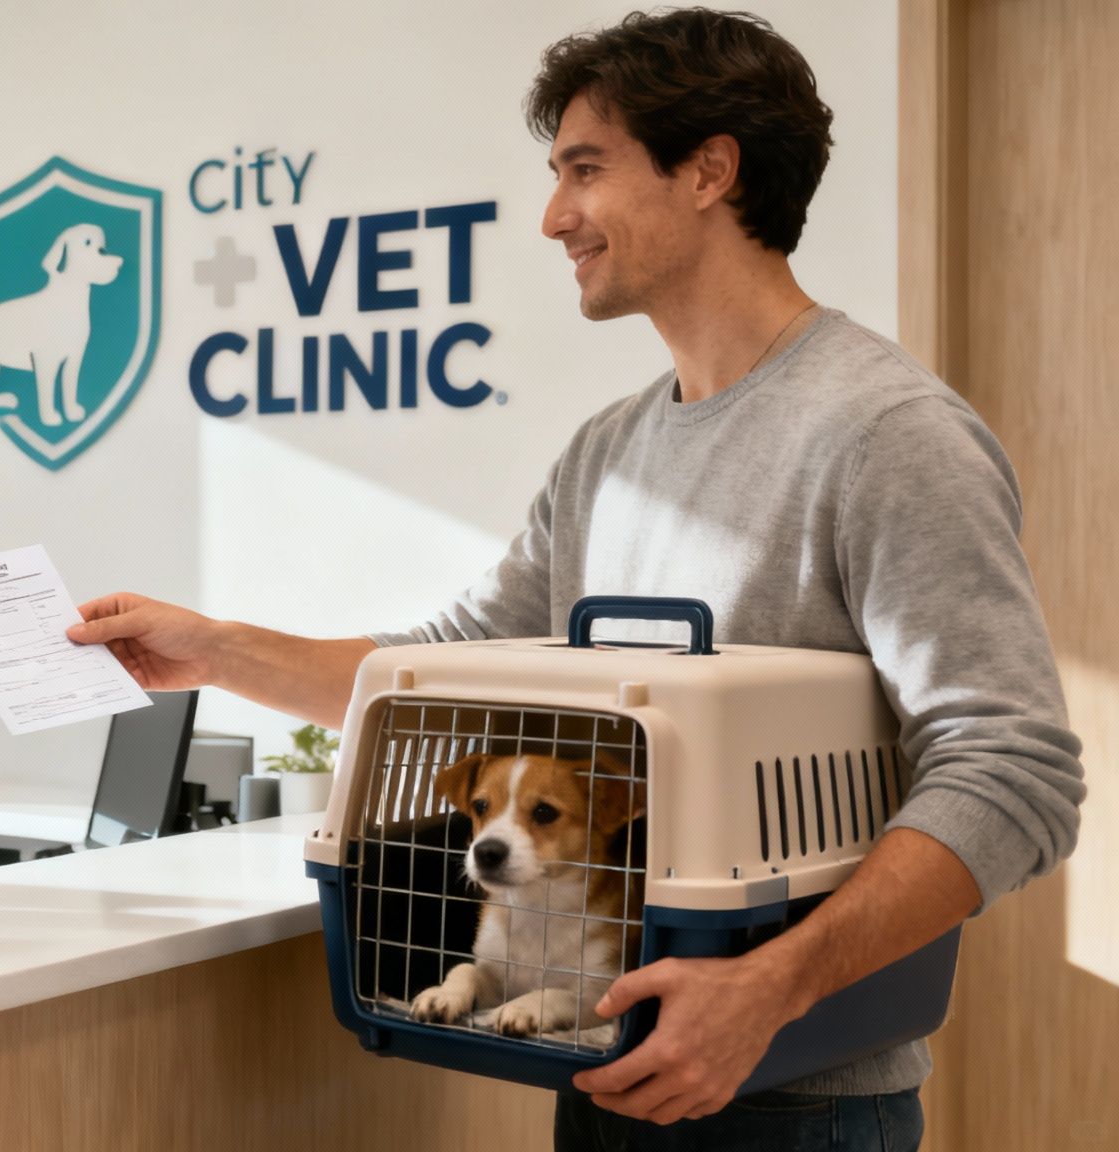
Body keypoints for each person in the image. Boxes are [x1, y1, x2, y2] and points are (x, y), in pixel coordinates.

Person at [65, 10, 1084, 1150]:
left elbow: (1014, 773)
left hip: (791, 1102)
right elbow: (444, 671)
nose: (553, 218)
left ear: (708, 171)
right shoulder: (606, 454)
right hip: (598, 1078)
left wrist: (766, 989)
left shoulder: (885, 435)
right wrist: (209, 650)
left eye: (583, 172)